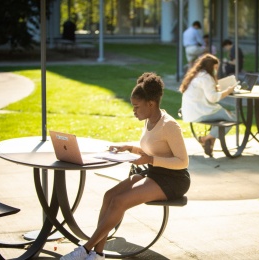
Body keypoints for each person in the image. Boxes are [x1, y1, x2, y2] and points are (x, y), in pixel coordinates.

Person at [60, 72, 190, 260]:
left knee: (120, 202)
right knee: (110, 196)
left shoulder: (169, 125)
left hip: (173, 179)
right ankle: (97, 254)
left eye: (136, 106)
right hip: (154, 172)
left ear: (151, 104)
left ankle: (86, 249)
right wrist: (128, 148)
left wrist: (150, 161)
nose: (133, 111)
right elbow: (154, 149)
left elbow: (182, 161)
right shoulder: (149, 120)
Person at [179, 54, 236, 157]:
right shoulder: (206, 77)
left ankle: (210, 140)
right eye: (215, 68)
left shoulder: (195, 75)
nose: (216, 70)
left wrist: (216, 88)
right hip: (202, 112)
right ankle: (206, 138)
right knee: (234, 118)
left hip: (190, 112)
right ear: (210, 67)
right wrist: (228, 91)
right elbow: (213, 98)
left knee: (223, 117)